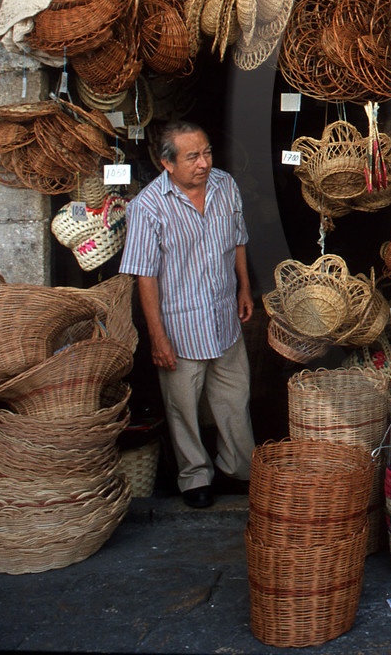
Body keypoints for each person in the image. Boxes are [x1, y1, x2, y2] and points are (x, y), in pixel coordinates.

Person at [119, 120, 255, 508]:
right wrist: (157, 336)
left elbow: (239, 239)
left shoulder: (225, 185)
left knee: (234, 398)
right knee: (182, 409)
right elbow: (144, 276)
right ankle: (194, 477)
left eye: (207, 152)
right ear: (167, 164)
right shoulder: (146, 207)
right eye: (192, 156)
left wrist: (243, 288)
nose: (203, 163)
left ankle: (239, 469)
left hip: (224, 317)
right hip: (180, 327)